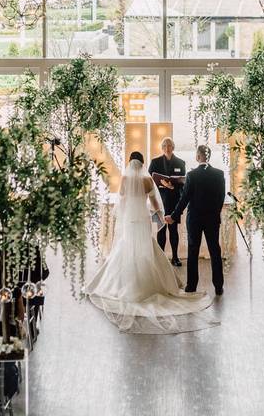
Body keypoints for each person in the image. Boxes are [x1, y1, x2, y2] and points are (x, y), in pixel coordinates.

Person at [86, 151, 214, 333]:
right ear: (143, 163)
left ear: (130, 163)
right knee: (146, 247)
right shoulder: (146, 180)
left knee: (127, 247)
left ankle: (125, 282)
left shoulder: (125, 179)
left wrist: (124, 215)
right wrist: (160, 216)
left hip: (130, 220)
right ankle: (154, 282)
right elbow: (154, 201)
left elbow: (121, 200)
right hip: (143, 220)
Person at [167, 145, 226, 295]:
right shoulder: (219, 174)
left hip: (194, 219)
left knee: (193, 251)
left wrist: (174, 216)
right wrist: (214, 212)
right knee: (215, 250)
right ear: (208, 157)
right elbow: (221, 198)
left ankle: (191, 286)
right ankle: (218, 286)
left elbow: (184, 199)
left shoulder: (192, 175)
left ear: (198, 156)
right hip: (212, 218)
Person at [148, 137, 187, 267]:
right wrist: (162, 184)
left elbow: (183, 183)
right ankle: (161, 258)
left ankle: (175, 257)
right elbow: (149, 182)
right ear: (161, 147)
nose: (167, 147)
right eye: (164, 145)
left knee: (173, 230)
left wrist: (173, 186)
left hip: (174, 202)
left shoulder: (181, 163)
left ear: (173, 147)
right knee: (161, 230)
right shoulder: (155, 162)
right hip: (159, 202)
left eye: (169, 145)